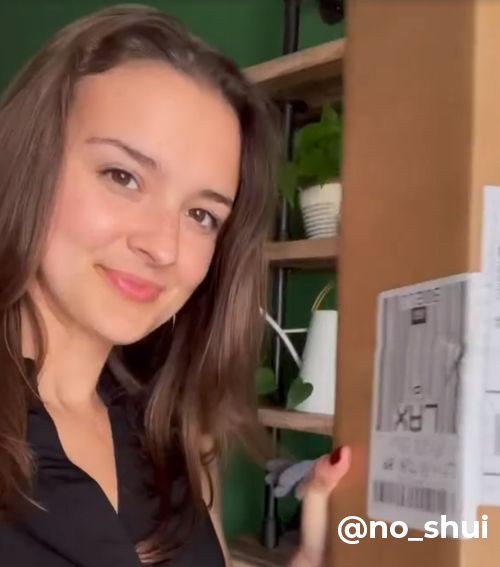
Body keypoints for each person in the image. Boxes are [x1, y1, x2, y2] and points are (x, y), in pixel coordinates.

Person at [0, 4, 350, 566]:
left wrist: (310, 549)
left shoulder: (173, 435)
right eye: (123, 176)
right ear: (28, 162)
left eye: (202, 215)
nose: (164, 247)